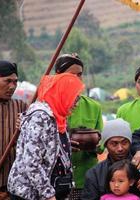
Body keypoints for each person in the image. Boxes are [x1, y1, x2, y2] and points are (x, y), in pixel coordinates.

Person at [7, 73, 84, 200]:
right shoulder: (41, 117)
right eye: (74, 98)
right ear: (62, 94)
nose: (76, 103)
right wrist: (48, 194)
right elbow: (32, 162)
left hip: (50, 189)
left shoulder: (59, 117)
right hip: (30, 194)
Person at [54, 53, 103, 199]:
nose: (76, 80)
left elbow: (102, 147)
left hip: (86, 179)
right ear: (58, 76)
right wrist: (64, 145)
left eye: (79, 75)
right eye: (71, 75)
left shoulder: (94, 106)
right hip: (56, 180)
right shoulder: (47, 107)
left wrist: (95, 142)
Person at [81, 118, 140, 200]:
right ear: (106, 145)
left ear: (130, 143)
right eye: (114, 144)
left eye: (124, 142)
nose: (120, 148)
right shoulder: (95, 174)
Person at [0, 61, 27, 198]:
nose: (12, 86)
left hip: (15, 190)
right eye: (7, 81)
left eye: (15, 82)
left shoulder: (22, 108)